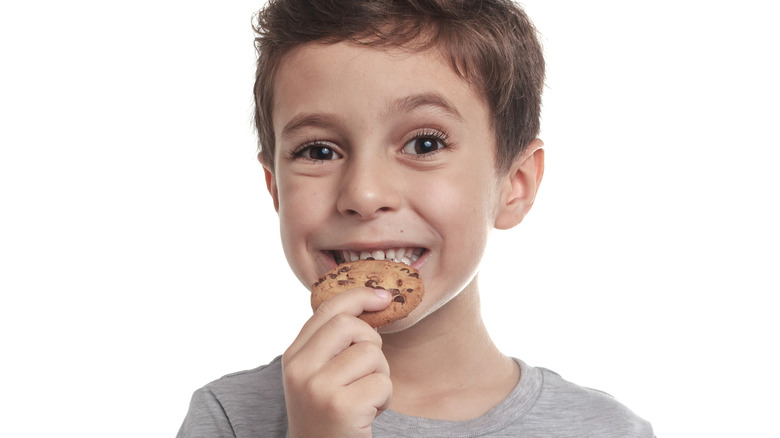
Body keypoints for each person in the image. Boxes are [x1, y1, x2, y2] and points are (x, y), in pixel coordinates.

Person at [177, 0, 654, 436]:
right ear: (274, 187)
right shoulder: (228, 419)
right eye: (319, 150)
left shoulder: (608, 430)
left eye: (424, 144)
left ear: (515, 184)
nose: (364, 194)